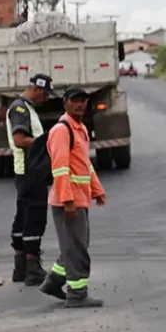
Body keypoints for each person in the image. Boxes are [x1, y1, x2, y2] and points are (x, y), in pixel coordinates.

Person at [39, 87, 107, 308]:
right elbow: (60, 168)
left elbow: (84, 164)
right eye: (74, 101)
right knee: (77, 249)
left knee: (75, 245)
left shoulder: (80, 129)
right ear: (65, 103)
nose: (79, 105)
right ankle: (77, 294)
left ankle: (53, 282)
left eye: (83, 101)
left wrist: (97, 190)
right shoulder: (62, 130)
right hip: (68, 202)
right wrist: (67, 201)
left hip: (79, 198)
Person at [7, 73, 55, 286]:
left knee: (22, 217)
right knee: (35, 218)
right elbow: (19, 140)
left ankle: (21, 267)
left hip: (26, 172)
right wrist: (46, 143)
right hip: (31, 171)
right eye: (45, 94)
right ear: (36, 89)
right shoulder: (20, 109)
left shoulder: (26, 108)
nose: (46, 98)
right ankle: (32, 267)